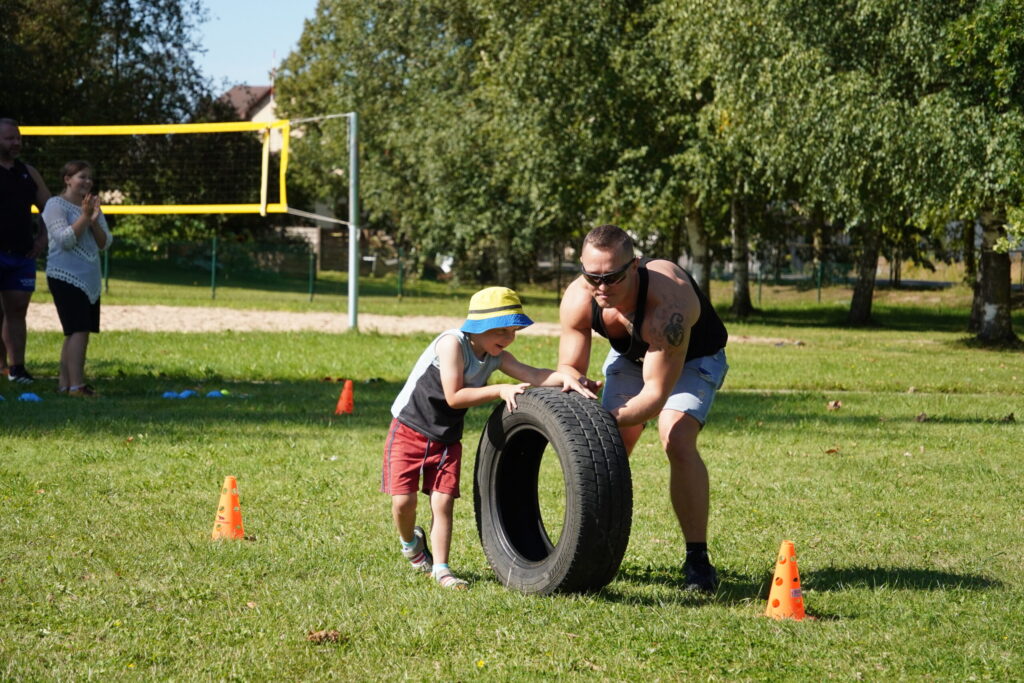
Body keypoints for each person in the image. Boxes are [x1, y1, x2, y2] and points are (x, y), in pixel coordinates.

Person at [383, 286, 596, 589]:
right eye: (502, 331)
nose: (509, 339)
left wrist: (568, 379)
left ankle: (442, 569)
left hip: (446, 438)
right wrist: (499, 389)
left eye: (513, 332)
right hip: (409, 430)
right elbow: (455, 396)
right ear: (479, 328)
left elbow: (534, 375)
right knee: (404, 502)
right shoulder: (451, 344)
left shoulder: (496, 356)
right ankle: (411, 543)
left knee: (443, 503)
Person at [557, 224, 729, 593]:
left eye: (612, 277)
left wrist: (598, 419)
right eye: (592, 276)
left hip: (692, 358)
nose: (601, 287)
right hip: (631, 358)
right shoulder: (578, 297)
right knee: (609, 446)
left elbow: (654, 397)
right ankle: (589, 548)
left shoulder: (669, 304)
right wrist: (574, 381)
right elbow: (570, 367)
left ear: (634, 266)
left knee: (676, 436)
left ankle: (697, 560)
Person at [41, 160, 111, 397]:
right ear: (67, 179)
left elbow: (104, 243)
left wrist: (93, 220)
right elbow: (65, 240)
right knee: (78, 330)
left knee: (76, 332)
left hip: (89, 278)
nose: (87, 182)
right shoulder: (54, 205)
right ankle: (77, 386)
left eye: (90, 178)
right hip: (65, 276)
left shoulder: (90, 206)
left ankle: (65, 384)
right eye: (82, 177)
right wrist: (84, 216)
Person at [0, 118, 51, 384]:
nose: (16, 142)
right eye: (10, 138)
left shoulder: (27, 172)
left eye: (18, 137)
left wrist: (42, 238)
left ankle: (17, 369)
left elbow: (49, 208)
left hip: (21, 254)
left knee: (17, 310)